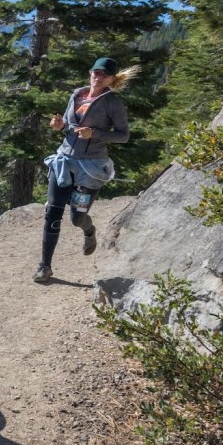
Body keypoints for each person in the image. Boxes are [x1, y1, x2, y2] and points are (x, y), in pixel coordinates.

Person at [33, 56, 136, 283]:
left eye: (104, 75)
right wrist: (59, 127)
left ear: (112, 79)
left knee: (77, 217)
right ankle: (45, 266)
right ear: (90, 72)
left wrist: (95, 134)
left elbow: (123, 136)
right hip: (64, 162)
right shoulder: (77, 94)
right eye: (96, 72)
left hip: (90, 169)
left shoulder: (113, 103)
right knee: (52, 212)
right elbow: (71, 126)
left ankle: (89, 230)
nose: (98, 77)